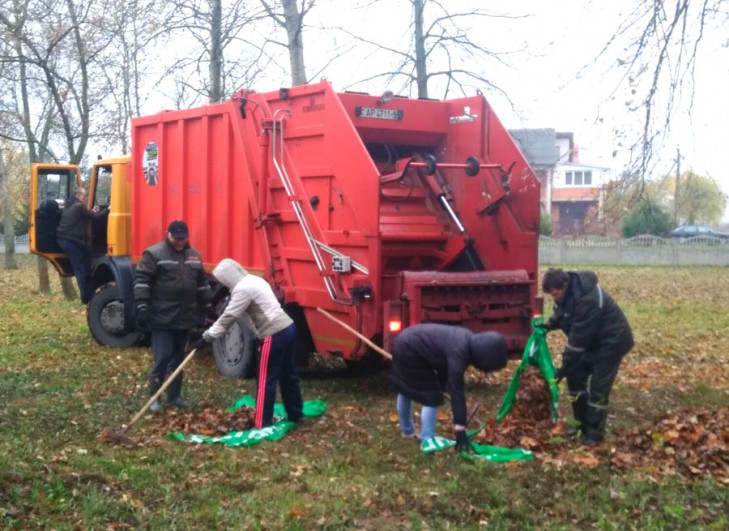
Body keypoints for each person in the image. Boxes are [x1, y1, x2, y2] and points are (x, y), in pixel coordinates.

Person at [194, 258, 304, 428]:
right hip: (288, 328)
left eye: (221, 279)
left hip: (272, 334)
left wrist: (207, 336)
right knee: (288, 375)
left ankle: (262, 422)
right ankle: (296, 414)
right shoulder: (255, 280)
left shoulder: (242, 289)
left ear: (227, 277)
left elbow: (228, 317)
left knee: (265, 380)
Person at [541, 268, 634, 446]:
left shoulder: (587, 299)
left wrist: (564, 368)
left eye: (556, 293)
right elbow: (562, 312)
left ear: (564, 284)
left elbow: (578, 339)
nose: (554, 297)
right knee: (575, 376)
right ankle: (581, 423)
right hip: (592, 342)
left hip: (611, 342)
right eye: (551, 295)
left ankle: (594, 434)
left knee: (599, 389)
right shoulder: (567, 294)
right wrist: (549, 325)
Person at [389, 323, 508, 451]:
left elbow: (443, 365)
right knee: (431, 397)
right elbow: (457, 390)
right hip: (411, 351)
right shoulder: (459, 352)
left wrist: (441, 385)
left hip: (404, 340)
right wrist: (460, 428)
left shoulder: (465, 339)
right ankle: (428, 439)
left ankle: (407, 431)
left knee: (406, 389)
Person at [134, 220, 212, 412]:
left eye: (183, 239)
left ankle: (174, 396)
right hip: (162, 317)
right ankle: (154, 396)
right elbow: (142, 281)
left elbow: (201, 283)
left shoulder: (194, 256)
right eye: (176, 238)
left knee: (178, 359)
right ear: (168, 234)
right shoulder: (154, 254)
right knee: (162, 358)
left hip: (185, 318)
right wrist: (142, 307)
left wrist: (208, 304)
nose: (180, 242)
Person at [56, 187, 108, 304]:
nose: (86, 198)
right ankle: (86, 298)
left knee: (87, 258)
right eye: (84, 196)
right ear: (78, 196)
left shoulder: (70, 206)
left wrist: (92, 211)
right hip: (71, 241)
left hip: (67, 239)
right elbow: (96, 218)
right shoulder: (79, 206)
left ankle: (90, 291)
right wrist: (109, 208)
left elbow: (86, 215)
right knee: (81, 270)